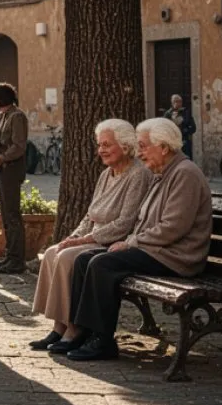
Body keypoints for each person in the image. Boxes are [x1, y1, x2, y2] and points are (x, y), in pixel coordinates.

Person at [65, 117, 213, 362]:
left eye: (143, 146)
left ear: (164, 147)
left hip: (176, 257)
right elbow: (147, 222)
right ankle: (85, 332)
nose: (139, 153)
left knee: (103, 264)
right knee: (85, 259)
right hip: (158, 250)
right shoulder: (162, 172)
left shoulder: (184, 174)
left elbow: (173, 228)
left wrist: (131, 243)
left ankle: (103, 341)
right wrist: (132, 241)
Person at [30, 119, 151, 352]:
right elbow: (90, 216)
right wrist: (71, 238)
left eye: (107, 144)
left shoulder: (138, 175)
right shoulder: (106, 174)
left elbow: (125, 223)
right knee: (54, 252)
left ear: (125, 146)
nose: (101, 150)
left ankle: (74, 328)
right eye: (99, 145)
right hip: (94, 238)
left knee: (68, 258)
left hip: (113, 242)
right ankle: (59, 327)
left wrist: (83, 241)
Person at [0, 82, 31, 274]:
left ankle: (17, 259)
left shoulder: (17, 116)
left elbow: (19, 146)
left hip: (11, 169)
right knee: (6, 214)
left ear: (0, 99)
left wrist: (0, 159)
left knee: (12, 215)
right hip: (3, 170)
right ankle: (10, 255)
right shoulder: (3, 115)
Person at [164, 94, 197, 159]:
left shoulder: (186, 113)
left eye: (179, 101)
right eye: (175, 101)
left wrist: (184, 131)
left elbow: (193, 128)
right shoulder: (168, 114)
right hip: (172, 142)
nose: (178, 103)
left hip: (184, 142)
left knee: (186, 160)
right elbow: (164, 128)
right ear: (172, 103)